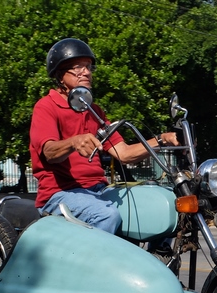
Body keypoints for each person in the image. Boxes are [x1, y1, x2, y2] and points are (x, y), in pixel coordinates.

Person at [29, 38, 178, 233]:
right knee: (106, 215)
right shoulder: (46, 106)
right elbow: (49, 151)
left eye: (89, 67)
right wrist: (74, 142)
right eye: (78, 68)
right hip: (59, 194)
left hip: (98, 191)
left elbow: (123, 153)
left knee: (163, 205)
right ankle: (89, 263)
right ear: (59, 75)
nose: (87, 73)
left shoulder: (94, 111)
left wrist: (161, 140)